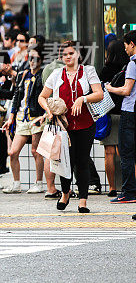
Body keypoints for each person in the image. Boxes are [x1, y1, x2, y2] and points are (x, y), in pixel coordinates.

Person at [38, 41, 104, 213]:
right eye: (64, 54)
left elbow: (99, 93)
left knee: (82, 161)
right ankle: (65, 193)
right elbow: (42, 97)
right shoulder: (56, 74)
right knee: (65, 161)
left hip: (85, 123)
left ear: (78, 54)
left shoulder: (88, 71)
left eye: (71, 53)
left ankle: (83, 200)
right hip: (63, 125)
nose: (67, 57)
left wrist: (83, 98)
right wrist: (48, 110)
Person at [3, 48, 50, 195]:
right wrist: (11, 116)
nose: (31, 61)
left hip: (36, 117)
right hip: (22, 117)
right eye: (30, 58)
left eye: (35, 58)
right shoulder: (24, 75)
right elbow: (17, 95)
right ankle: (16, 183)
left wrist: (43, 115)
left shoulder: (43, 76)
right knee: (13, 152)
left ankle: (39, 183)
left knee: (36, 151)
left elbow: (45, 97)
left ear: (41, 60)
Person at [106, 31, 136, 204]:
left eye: (125, 45)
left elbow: (126, 90)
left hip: (129, 112)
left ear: (132, 44)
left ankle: (129, 192)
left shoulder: (133, 64)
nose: (124, 48)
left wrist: (110, 88)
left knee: (125, 153)